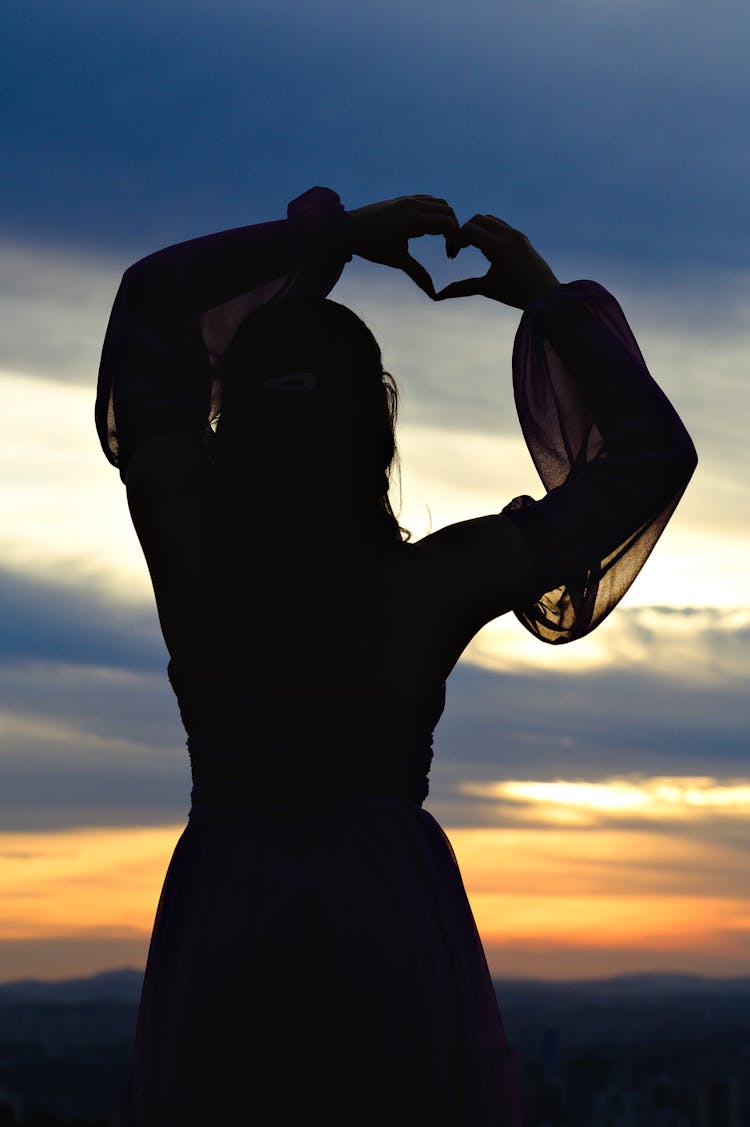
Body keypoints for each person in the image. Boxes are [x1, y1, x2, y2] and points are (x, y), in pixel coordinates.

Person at [96, 188, 696, 1126]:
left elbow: (152, 302)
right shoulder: (433, 585)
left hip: (229, 916)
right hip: (386, 917)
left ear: (234, 419)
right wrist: (547, 302)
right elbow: (651, 456)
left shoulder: (189, 544)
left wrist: (332, 239)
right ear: (376, 434)